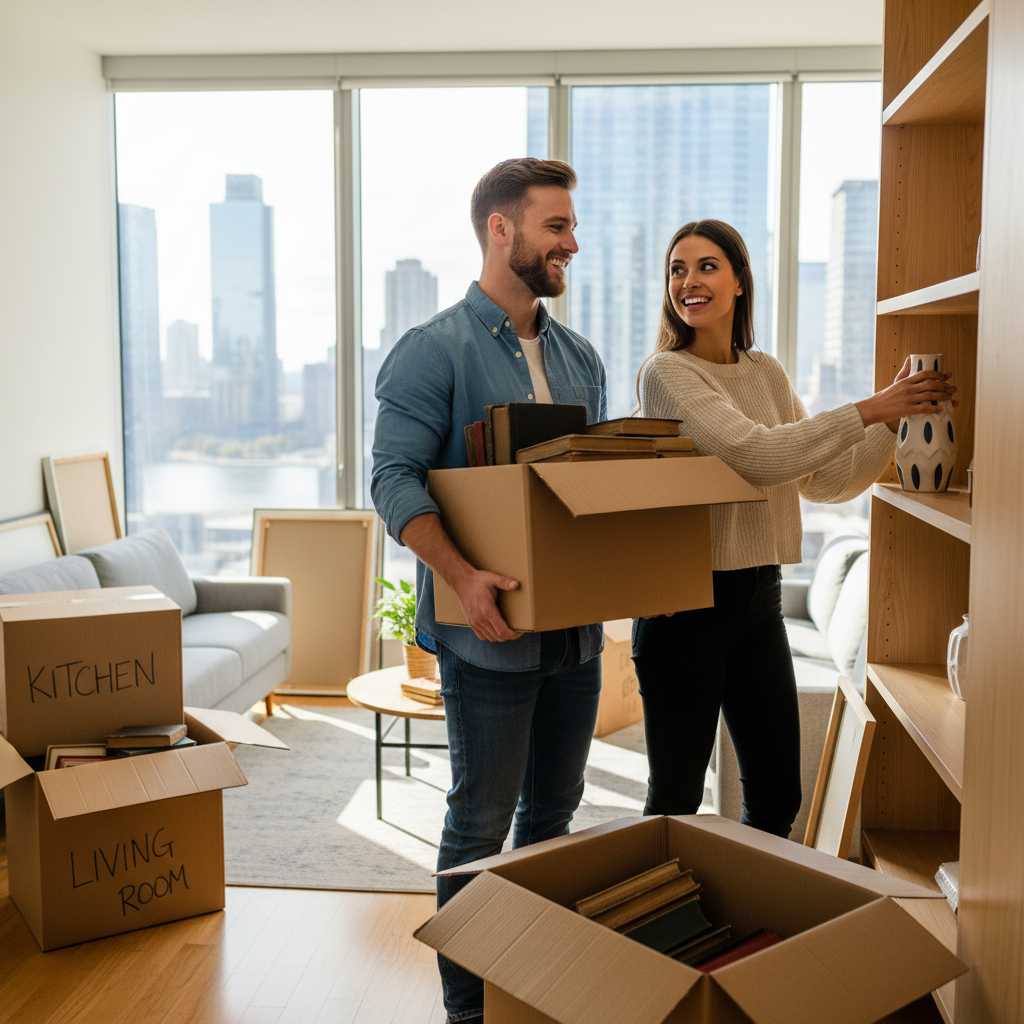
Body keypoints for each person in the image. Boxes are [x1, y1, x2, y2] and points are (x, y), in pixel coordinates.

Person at [370, 158, 607, 1024]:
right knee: (480, 821)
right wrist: (461, 576)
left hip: (574, 639)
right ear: (500, 229)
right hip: (487, 635)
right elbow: (393, 479)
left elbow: (587, 492)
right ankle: (469, 1010)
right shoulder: (433, 349)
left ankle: (530, 990)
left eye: (571, 226)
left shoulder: (580, 358)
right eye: (556, 226)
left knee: (553, 819)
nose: (571, 242)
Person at [632, 219, 956, 838]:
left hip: (760, 601)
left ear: (739, 281)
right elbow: (754, 455)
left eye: (706, 266)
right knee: (674, 803)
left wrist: (894, 418)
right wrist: (870, 407)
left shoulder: (766, 372)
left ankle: (747, 901)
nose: (688, 281)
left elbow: (823, 480)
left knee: (778, 797)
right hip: (686, 612)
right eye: (677, 269)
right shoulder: (667, 373)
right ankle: (667, 904)